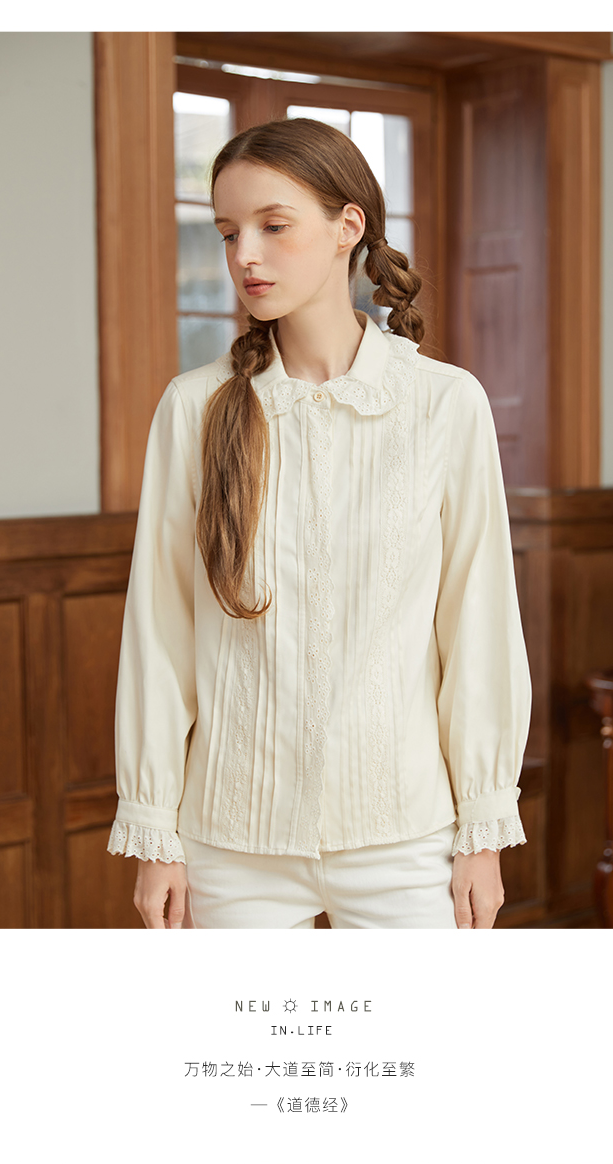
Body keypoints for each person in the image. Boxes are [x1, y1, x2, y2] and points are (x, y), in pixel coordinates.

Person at [107, 117, 532, 929]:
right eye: (228, 232)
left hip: (407, 835)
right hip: (230, 840)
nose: (245, 255)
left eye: (273, 225)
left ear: (348, 227)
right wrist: (155, 826)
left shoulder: (445, 404)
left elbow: (477, 622)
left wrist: (482, 823)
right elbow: (160, 632)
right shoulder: (194, 408)